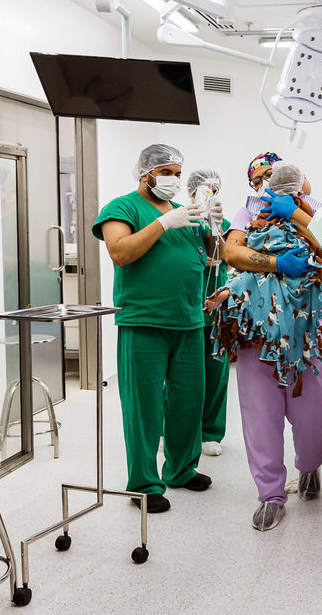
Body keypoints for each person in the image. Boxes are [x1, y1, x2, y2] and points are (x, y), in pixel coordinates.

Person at [92, 144, 224, 513]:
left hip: (189, 319)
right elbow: (120, 252)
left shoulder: (186, 212)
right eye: (166, 172)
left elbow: (215, 259)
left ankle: (181, 469)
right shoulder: (123, 208)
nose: (174, 180)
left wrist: (213, 225)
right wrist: (163, 223)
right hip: (144, 321)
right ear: (145, 173)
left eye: (178, 173)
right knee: (144, 407)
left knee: (187, 403)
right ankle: (144, 484)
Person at [218, 162, 322, 531]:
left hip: (308, 328)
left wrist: (301, 216)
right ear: (253, 183)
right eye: (261, 177)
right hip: (258, 329)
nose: (270, 182)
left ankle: (309, 464)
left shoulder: (315, 210)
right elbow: (232, 254)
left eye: (275, 174)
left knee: (311, 414)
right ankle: (270, 494)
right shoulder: (246, 212)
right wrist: (277, 264)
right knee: (260, 415)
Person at [182, 167, 230, 457]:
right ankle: (171, 429)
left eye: (214, 190)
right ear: (191, 191)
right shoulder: (181, 220)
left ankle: (210, 432)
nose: (209, 194)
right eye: (204, 189)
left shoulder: (221, 222)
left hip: (217, 307)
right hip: (187, 302)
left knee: (215, 372)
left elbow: (224, 256)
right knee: (181, 375)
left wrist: (216, 229)